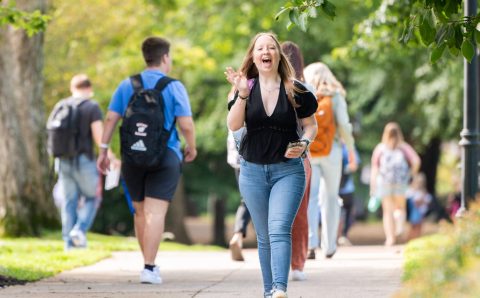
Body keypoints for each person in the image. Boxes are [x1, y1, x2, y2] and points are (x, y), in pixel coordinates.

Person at [97, 36, 197, 284]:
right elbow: (185, 123)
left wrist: (103, 150)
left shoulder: (127, 85)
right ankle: (149, 267)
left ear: (145, 57)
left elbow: (110, 119)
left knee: (140, 211)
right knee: (155, 212)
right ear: (165, 57)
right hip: (166, 155)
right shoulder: (174, 86)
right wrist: (191, 147)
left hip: (132, 157)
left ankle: (147, 265)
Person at [225, 32, 318, 298]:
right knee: (264, 237)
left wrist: (305, 143)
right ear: (254, 57)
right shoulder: (246, 88)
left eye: (271, 48)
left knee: (278, 229)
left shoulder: (294, 88)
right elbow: (233, 125)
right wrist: (242, 94)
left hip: (288, 170)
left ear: (278, 55)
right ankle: (269, 293)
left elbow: (311, 125)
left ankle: (280, 289)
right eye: (260, 48)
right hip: (252, 171)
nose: (266, 52)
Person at [56, 74, 116, 250]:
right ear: (89, 89)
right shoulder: (92, 107)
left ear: (72, 88)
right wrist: (110, 156)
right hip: (84, 159)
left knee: (69, 201)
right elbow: (99, 136)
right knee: (93, 197)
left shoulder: (61, 105)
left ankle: (69, 243)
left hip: (62, 160)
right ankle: (79, 230)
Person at [303, 62, 356, 259]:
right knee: (331, 197)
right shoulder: (336, 96)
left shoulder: (307, 94)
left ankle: (310, 243)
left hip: (310, 150)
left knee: (311, 196)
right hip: (332, 151)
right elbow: (344, 124)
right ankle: (330, 244)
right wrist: (350, 148)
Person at [280, 41, 312, 282]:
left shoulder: (269, 85)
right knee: (300, 210)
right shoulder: (305, 87)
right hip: (301, 154)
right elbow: (311, 126)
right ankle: (297, 264)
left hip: (273, 154)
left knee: (278, 213)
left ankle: (279, 262)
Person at [370, 122, 420, 246]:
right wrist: (411, 174)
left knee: (387, 211)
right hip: (400, 183)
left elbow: (375, 168)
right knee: (400, 208)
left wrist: (373, 185)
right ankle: (399, 226)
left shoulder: (380, 148)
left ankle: (390, 238)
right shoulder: (403, 147)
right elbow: (416, 161)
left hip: (384, 183)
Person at [227, 127, 251, 262]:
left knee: (246, 199)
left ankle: (238, 235)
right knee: (254, 199)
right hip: (254, 154)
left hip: (236, 156)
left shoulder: (232, 104)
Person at [337, 143, 360, 246]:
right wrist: (346, 169)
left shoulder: (329, 144)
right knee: (347, 212)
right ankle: (343, 235)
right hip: (347, 187)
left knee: (335, 211)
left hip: (334, 187)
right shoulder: (349, 147)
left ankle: (335, 236)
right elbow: (354, 166)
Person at [406, 172, 432, 240]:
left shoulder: (424, 192)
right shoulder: (412, 191)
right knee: (414, 226)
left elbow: (428, 201)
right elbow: (415, 202)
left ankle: (417, 238)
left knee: (419, 226)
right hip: (415, 211)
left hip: (421, 212)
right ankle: (411, 238)